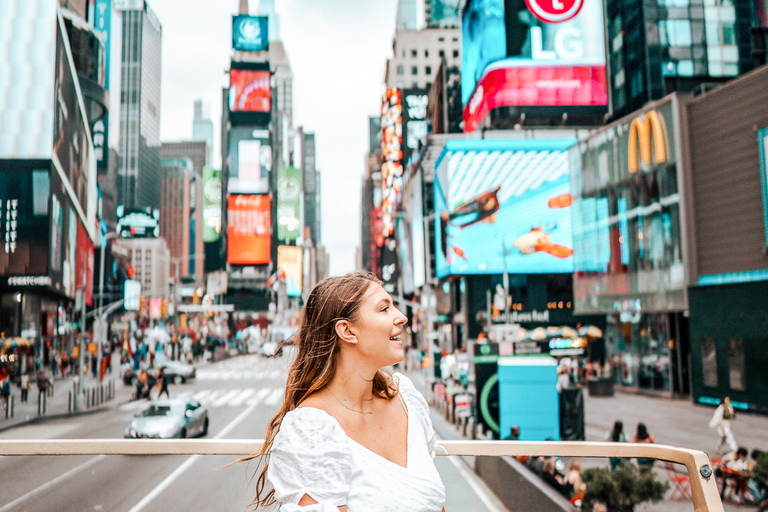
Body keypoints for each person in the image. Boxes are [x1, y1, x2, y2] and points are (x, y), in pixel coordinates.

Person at [239, 271, 446, 511]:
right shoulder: (312, 430)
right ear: (347, 331)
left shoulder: (407, 400)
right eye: (384, 309)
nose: (402, 317)